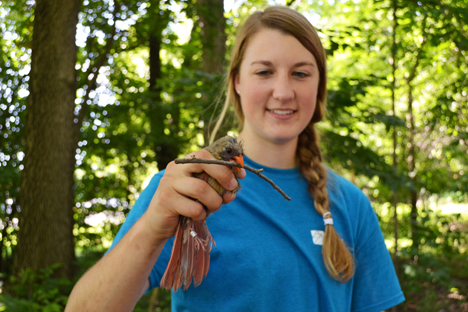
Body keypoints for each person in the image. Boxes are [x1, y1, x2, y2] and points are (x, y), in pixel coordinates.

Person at [66, 6, 405, 312]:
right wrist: (154, 226)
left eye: (300, 73)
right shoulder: (183, 189)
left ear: (319, 88)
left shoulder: (350, 204)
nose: (284, 91)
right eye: (264, 72)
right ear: (237, 82)